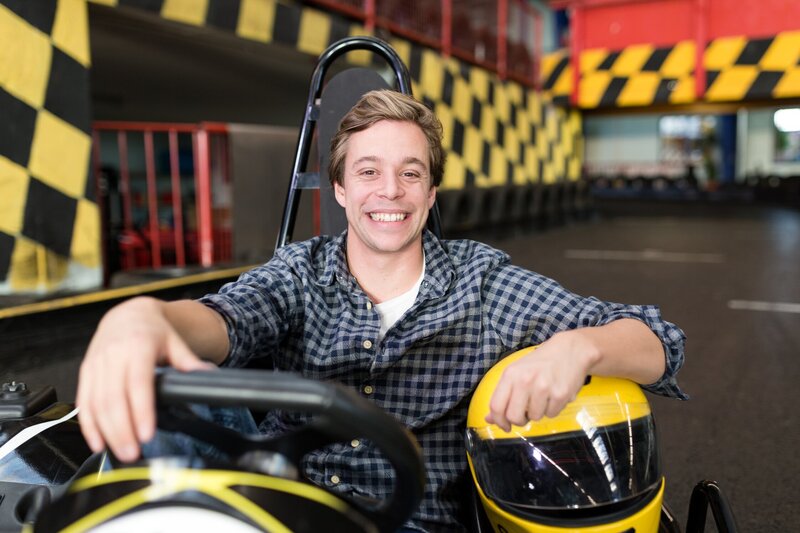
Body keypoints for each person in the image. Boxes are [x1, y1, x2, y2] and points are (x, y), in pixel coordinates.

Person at [77, 90, 686, 532]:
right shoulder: (299, 273)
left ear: (430, 192)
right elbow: (224, 321)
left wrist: (577, 346)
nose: (390, 190)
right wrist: (143, 318)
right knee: (169, 385)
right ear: (341, 189)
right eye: (369, 171)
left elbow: (660, 341)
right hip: (285, 511)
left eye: (409, 173)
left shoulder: (482, 285)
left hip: (410, 520)